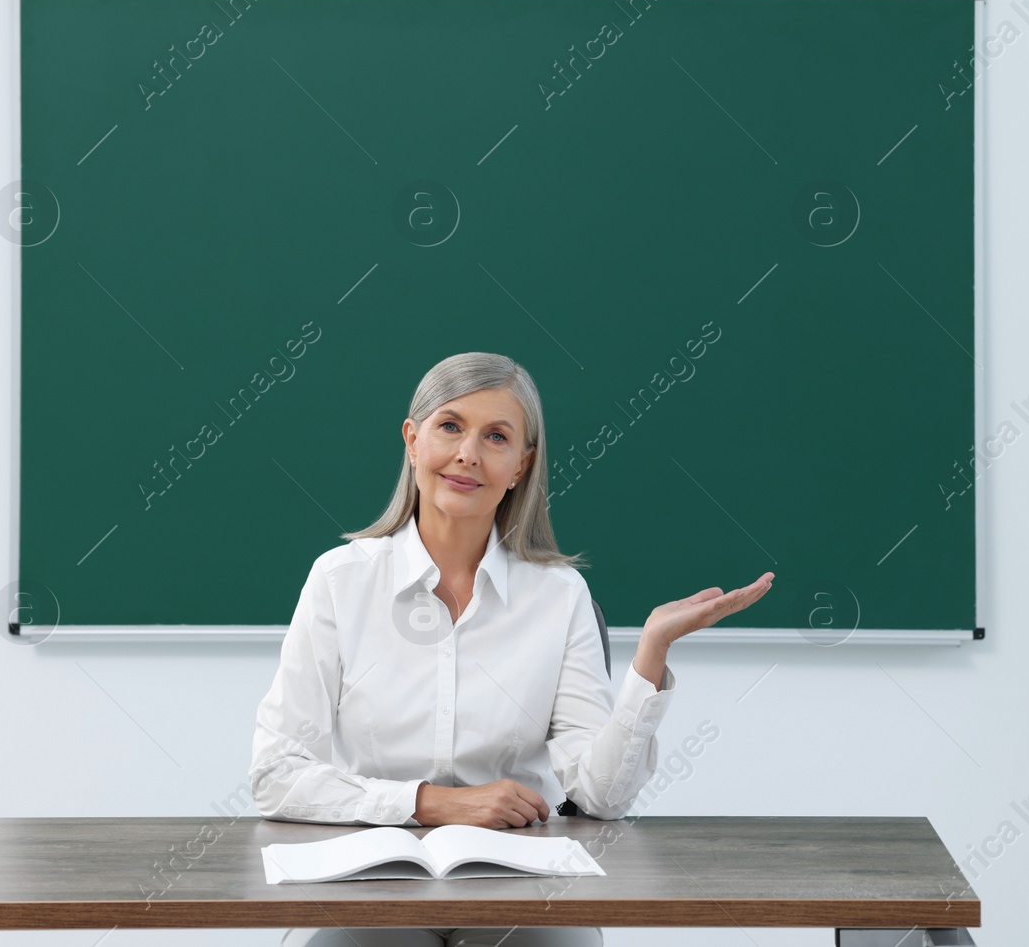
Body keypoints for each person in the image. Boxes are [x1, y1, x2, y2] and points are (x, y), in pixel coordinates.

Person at [251, 351, 773, 947]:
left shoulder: (558, 594)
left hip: (519, 882)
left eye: (496, 436)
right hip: (372, 882)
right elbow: (275, 773)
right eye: (450, 426)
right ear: (412, 439)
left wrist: (650, 653)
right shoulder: (339, 580)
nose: (469, 453)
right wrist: (431, 803)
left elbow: (601, 798)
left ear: (521, 466)